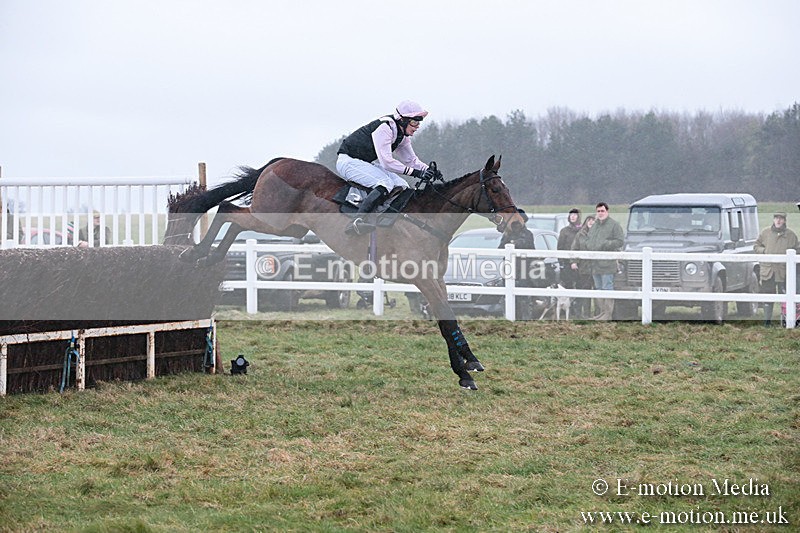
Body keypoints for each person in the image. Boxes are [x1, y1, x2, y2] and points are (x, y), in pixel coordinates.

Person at [336, 101, 439, 235]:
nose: (417, 126)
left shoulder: (402, 136)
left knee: (402, 184)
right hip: (348, 161)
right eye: (415, 122)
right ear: (402, 120)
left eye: (419, 122)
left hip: (363, 162)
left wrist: (429, 171)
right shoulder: (385, 128)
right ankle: (357, 221)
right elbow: (387, 162)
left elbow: (411, 161)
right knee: (385, 183)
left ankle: (387, 219)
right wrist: (416, 173)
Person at [754, 212, 800, 326]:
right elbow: (756, 246)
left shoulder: (791, 236)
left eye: (781, 219)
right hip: (768, 271)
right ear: (773, 220)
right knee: (768, 297)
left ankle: (786, 322)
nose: (778, 221)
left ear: (784, 221)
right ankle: (767, 322)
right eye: (776, 218)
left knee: (786, 297)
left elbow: (797, 250)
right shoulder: (765, 233)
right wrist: (764, 251)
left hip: (784, 272)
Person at [584, 202, 624, 320]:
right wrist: (589, 244)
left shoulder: (614, 225)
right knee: (598, 288)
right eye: (598, 211)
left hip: (607, 263)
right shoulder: (595, 225)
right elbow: (589, 239)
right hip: (595, 263)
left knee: (607, 287)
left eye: (602, 211)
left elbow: (619, 241)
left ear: (607, 211)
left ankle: (607, 314)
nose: (600, 213)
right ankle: (601, 313)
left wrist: (606, 244)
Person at [498, 209, 536, 320]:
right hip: (509, 268)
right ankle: (509, 317)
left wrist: (513, 243)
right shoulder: (507, 234)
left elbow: (529, 247)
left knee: (523, 295)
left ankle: (525, 318)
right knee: (507, 295)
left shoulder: (528, 234)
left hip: (523, 268)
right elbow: (501, 248)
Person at [569, 215, 595, 318]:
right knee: (584, 291)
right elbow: (574, 248)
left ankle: (597, 315)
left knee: (598, 292)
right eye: (589, 220)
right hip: (584, 268)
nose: (591, 222)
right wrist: (573, 261)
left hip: (597, 268)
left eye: (593, 221)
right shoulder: (580, 235)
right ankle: (583, 314)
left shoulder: (599, 235)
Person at [557, 208, 582, 314]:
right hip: (567, 264)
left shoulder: (583, 231)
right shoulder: (564, 231)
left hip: (580, 263)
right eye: (571, 214)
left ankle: (578, 310)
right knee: (567, 285)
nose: (572, 216)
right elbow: (560, 248)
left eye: (575, 215)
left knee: (580, 286)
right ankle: (567, 310)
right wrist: (562, 262)